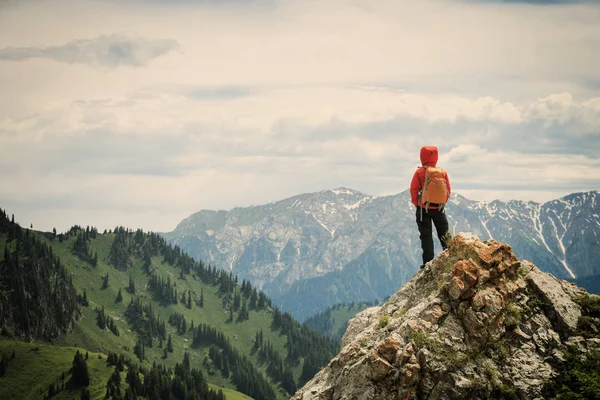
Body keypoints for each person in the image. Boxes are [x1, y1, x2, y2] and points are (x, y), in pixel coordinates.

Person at [410, 145, 452, 269]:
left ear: (422, 156)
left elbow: (413, 190)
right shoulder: (442, 172)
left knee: (426, 236)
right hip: (439, 209)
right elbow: (448, 190)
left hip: (424, 209)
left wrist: (418, 204)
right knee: (444, 234)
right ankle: (451, 256)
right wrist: (441, 202)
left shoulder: (419, 172)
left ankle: (428, 263)